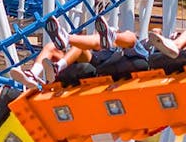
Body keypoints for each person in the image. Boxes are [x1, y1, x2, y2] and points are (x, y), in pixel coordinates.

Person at [10, 16, 147, 89]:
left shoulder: (139, 48)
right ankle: (33, 74)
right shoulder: (98, 47)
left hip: (121, 54)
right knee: (52, 46)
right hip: (98, 61)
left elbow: (137, 40)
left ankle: (63, 50)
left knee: (130, 36)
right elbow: (94, 46)